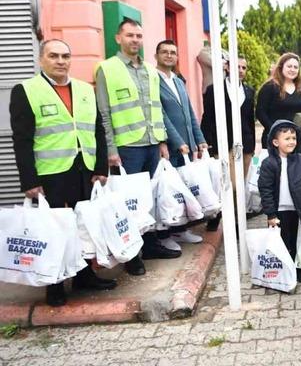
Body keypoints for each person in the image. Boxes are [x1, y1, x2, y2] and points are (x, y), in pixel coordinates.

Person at [10, 39, 113, 306]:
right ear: (41, 59)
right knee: (54, 229)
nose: (60, 61)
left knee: (83, 226)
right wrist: (29, 180)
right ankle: (54, 284)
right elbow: (21, 140)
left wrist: (101, 167)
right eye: (53, 56)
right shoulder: (26, 90)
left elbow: (98, 130)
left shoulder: (84, 89)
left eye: (65, 56)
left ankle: (84, 276)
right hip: (50, 173)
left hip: (84, 169)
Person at [95, 18, 178, 276]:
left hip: (152, 143)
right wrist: (110, 149)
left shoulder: (150, 71)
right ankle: (132, 255)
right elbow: (104, 113)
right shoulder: (107, 69)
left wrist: (162, 141)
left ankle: (150, 245)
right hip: (127, 147)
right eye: (130, 35)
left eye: (139, 36)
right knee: (129, 203)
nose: (135, 40)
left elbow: (157, 109)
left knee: (149, 200)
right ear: (118, 38)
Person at [154, 39, 207, 250]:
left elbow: (190, 113)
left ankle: (181, 230)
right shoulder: (153, 80)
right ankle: (165, 233)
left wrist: (199, 139)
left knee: (183, 189)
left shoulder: (177, 81)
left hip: (186, 146)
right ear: (156, 56)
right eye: (164, 52)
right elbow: (161, 115)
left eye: (173, 52)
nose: (169, 55)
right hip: (169, 146)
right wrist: (177, 141)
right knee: (168, 191)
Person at [260, 120, 301, 285]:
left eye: (293, 138)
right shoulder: (268, 163)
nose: (291, 141)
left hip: (297, 209)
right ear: (275, 142)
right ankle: (284, 269)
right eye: (287, 138)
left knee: (297, 240)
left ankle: (295, 267)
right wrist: (270, 214)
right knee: (282, 241)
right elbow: (265, 189)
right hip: (279, 210)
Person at [201, 55, 256, 176]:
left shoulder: (249, 91)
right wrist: (206, 142)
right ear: (227, 67)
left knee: (244, 180)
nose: (241, 70)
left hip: (245, 144)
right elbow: (208, 118)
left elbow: (250, 119)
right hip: (223, 143)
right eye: (237, 67)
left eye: (244, 68)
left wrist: (252, 146)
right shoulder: (214, 90)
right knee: (229, 182)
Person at [256, 53, 301, 145]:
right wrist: (275, 131)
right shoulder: (269, 87)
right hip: (274, 139)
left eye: (295, 67)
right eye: (289, 66)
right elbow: (260, 112)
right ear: (281, 67)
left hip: (295, 139)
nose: (292, 69)